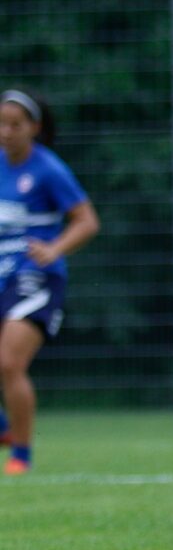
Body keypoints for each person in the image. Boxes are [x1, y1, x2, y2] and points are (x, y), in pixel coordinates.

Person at [0, 88, 100, 476]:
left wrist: (56, 248)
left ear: (35, 128)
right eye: (1, 124)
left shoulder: (48, 169)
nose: (6, 132)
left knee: (8, 362)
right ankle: (6, 430)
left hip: (35, 277)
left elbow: (87, 220)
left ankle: (21, 456)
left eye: (15, 125)